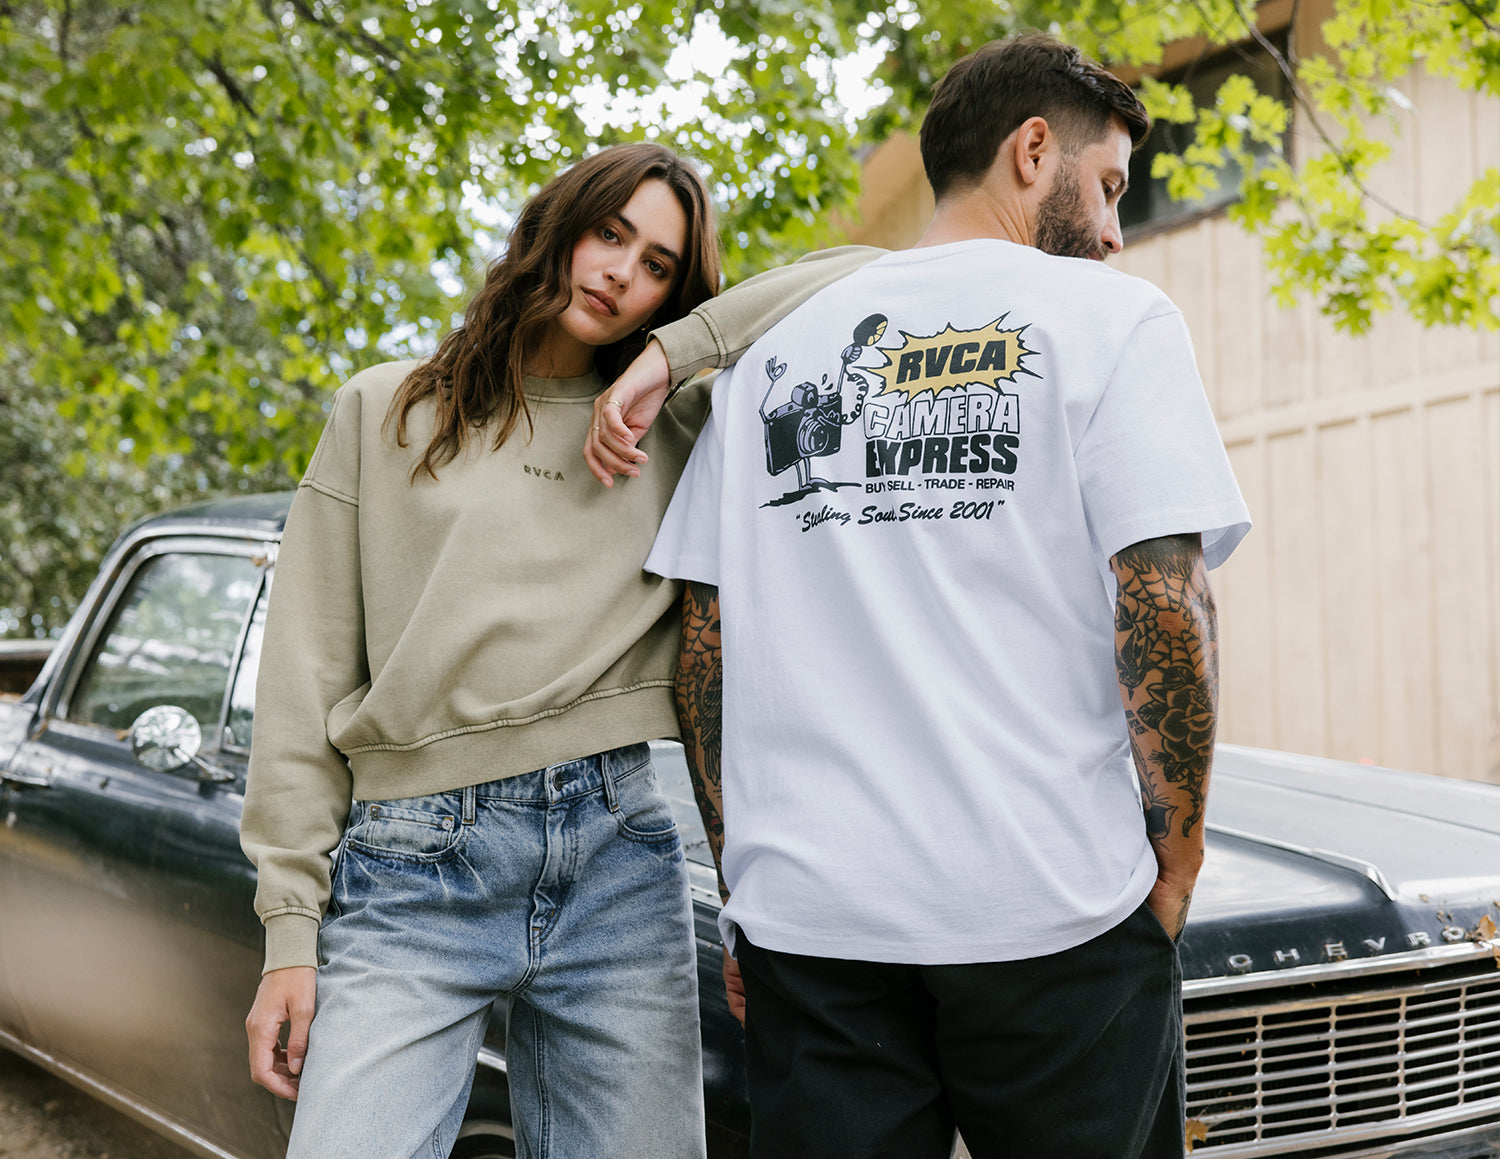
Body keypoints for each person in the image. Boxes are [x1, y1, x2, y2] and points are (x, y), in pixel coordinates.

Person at [586, 34, 1252, 1159]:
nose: (1112, 231)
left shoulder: (769, 354)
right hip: (1054, 912)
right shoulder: (1114, 323)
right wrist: (1176, 861)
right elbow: (1165, 605)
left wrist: (746, 876)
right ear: (1032, 150)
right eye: (1106, 186)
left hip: (814, 923)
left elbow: (705, 646)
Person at [239, 142, 722, 1159]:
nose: (622, 272)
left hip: (618, 863)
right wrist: (290, 929)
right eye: (610, 232)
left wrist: (678, 358)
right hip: (415, 866)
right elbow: (306, 672)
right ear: (558, 223)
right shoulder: (388, 409)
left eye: (659, 265)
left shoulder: (673, 430)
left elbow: (854, 279)